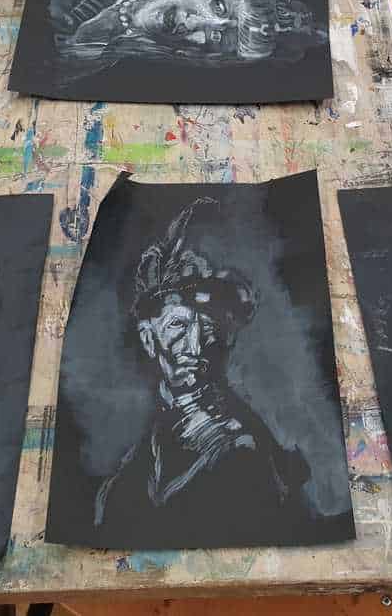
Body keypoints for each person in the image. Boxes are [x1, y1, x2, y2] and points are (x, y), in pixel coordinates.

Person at [94, 197, 312, 545]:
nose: (195, 346)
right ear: (149, 339)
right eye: (178, 326)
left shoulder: (242, 449)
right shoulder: (139, 460)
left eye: (208, 328)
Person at [46, 0, 325, 80]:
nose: (196, 22)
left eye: (216, 37)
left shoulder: (95, 60)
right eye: (218, 7)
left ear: (193, 52)